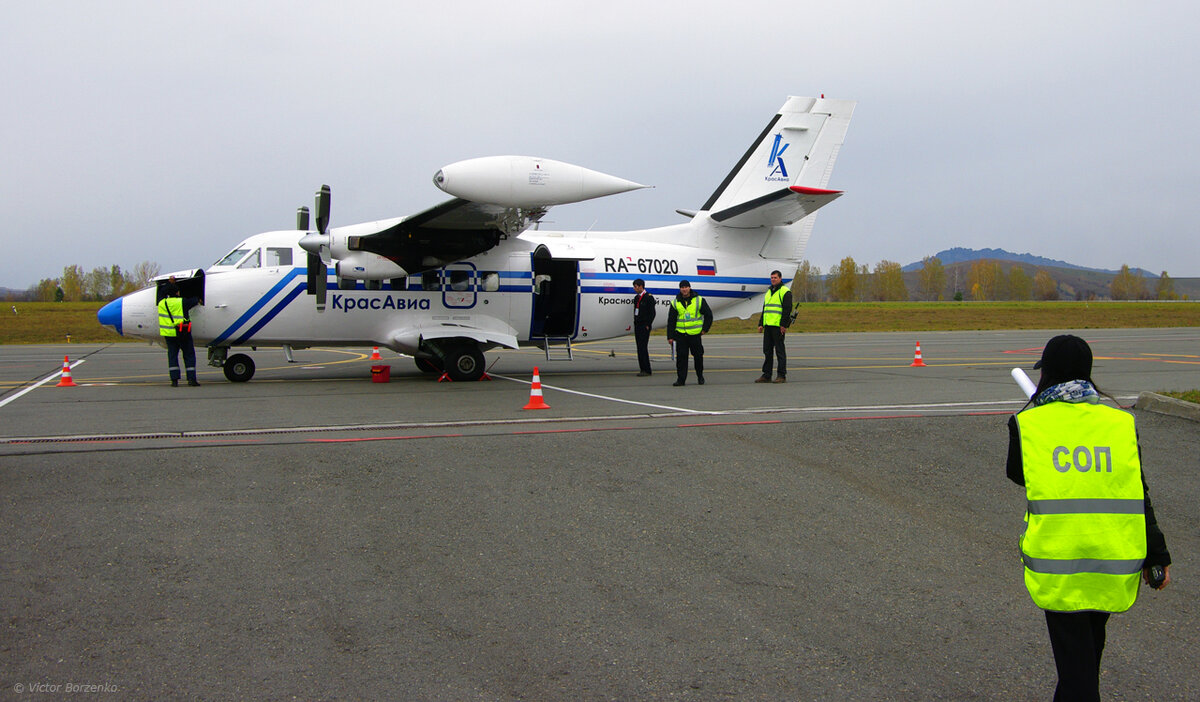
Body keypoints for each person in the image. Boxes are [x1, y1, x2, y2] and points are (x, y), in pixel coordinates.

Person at [1006, 334, 1171, 701]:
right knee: (1084, 662)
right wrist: (1157, 555)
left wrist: (1032, 425)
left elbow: (1019, 475)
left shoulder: (1029, 424)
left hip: (1061, 564)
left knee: (1077, 674)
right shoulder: (1120, 423)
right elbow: (1137, 490)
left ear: (1048, 373)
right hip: (1112, 560)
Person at [665, 279, 713, 386]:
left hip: (695, 335)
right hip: (681, 335)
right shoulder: (675, 303)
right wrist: (670, 336)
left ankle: (700, 376)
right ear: (680, 289)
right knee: (681, 359)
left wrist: (705, 329)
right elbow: (671, 321)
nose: (684, 289)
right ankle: (681, 379)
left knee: (698, 357)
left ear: (689, 288)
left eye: (686, 287)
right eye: (682, 287)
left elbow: (709, 315)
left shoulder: (699, 300)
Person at [158, 281, 201, 386]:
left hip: (169, 334)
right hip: (183, 332)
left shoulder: (162, 303)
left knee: (172, 355)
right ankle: (191, 379)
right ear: (177, 293)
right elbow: (195, 300)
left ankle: (174, 380)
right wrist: (198, 298)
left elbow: (161, 293)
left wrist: (169, 283)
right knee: (189, 355)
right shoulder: (182, 302)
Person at [756, 270, 793, 383]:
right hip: (768, 326)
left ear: (780, 278)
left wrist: (783, 325)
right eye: (772, 277)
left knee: (779, 351)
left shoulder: (785, 292)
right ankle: (766, 374)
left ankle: (781, 375)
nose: (773, 279)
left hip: (778, 326)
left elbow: (787, 310)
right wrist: (761, 323)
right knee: (767, 351)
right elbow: (765, 309)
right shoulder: (768, 292)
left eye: (775, 277)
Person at [632, 278, 656, 376]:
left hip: (644, 326)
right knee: (639, 347)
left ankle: (647, 369)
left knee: (643, 347)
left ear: (641, 286)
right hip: (638, 325)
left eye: (636, 286)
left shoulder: (648, 297)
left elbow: (652, 313)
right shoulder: (636, 298)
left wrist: (648, 324)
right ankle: (642, 368)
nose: (634, 288)